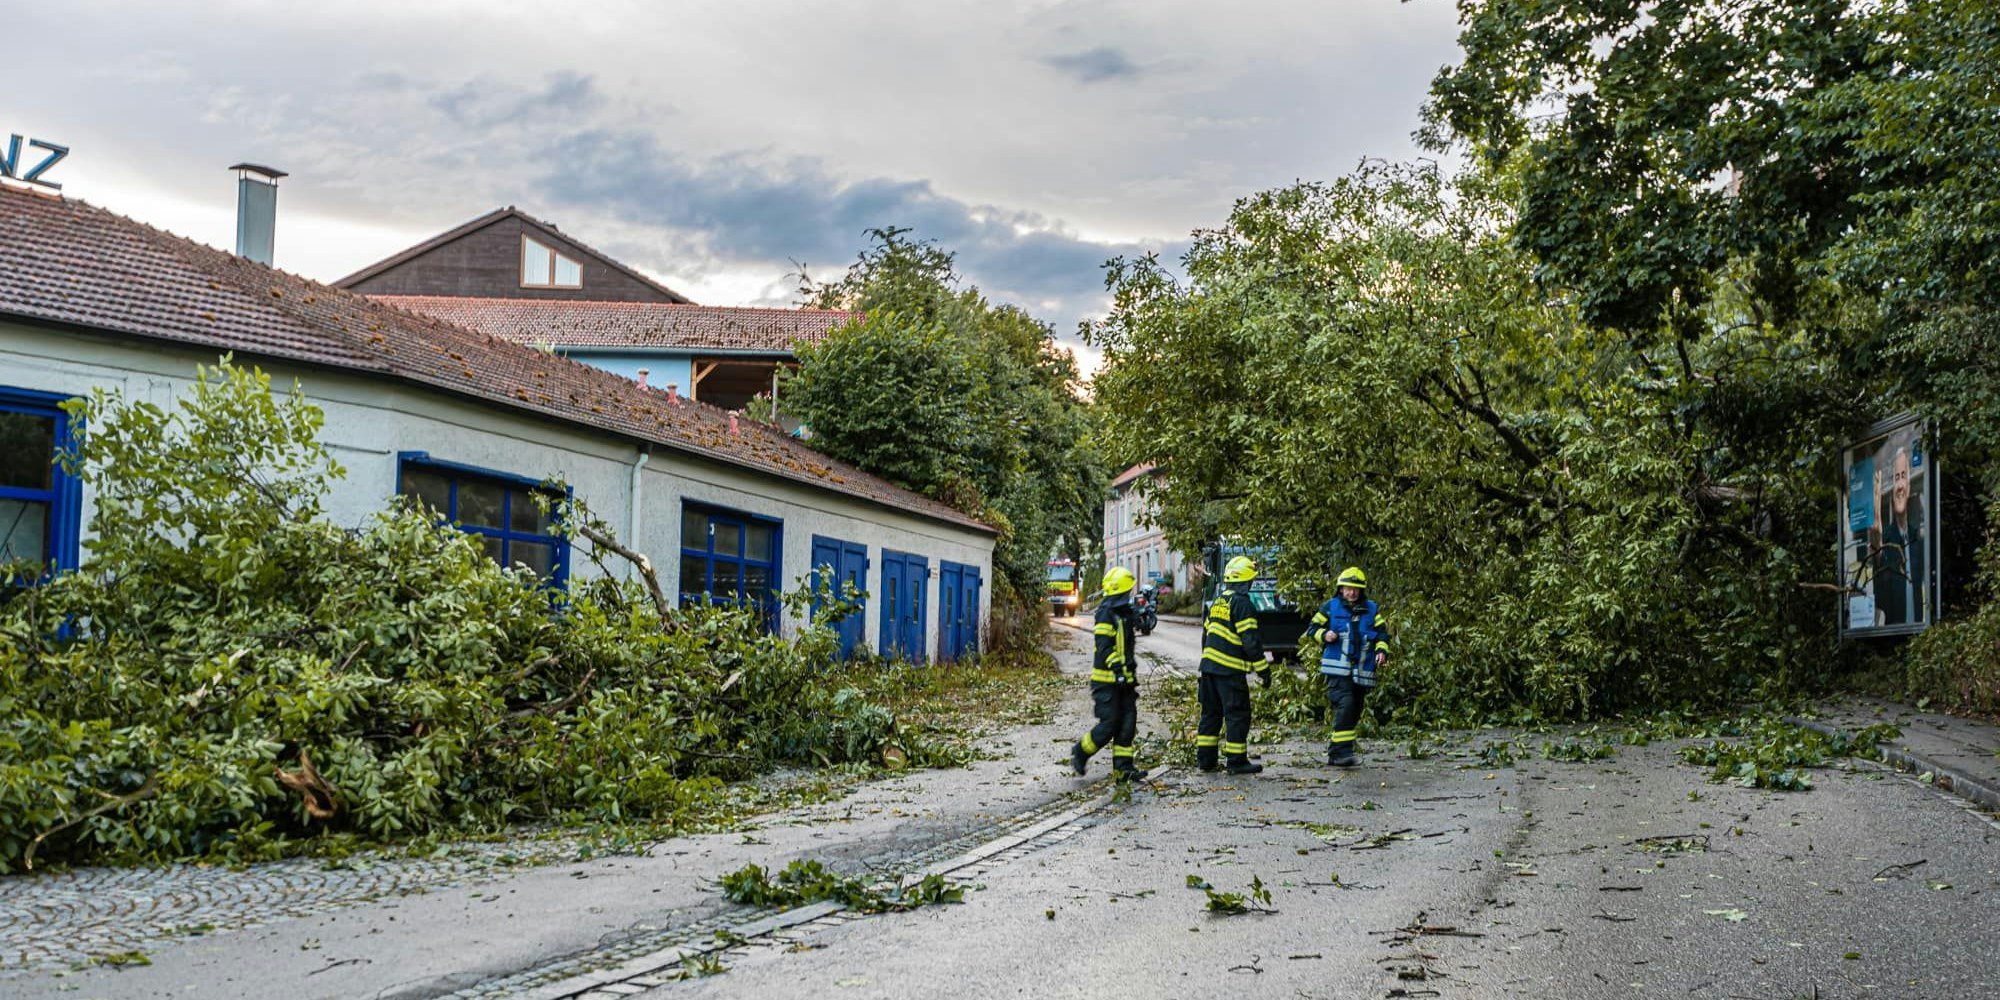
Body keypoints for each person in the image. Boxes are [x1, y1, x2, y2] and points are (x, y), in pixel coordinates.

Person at [1307, 566, 1389, 767]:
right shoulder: (1330, 607)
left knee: (1355, 709)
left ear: (1361, 591)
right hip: (1337, 670)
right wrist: (1324, 635)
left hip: (1362, 672)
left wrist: (1381, 651)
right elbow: (1312, 628)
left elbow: (1382, 634)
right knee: (1346, 704)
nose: (1351, 593)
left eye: (1355, 589)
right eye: (1347, 588)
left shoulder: (1371, 609)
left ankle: (1341, 751)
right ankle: (1339, 753)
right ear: (1341, 589)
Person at [1071, 567, 1147, 781]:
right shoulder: (1105, 614)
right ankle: (1080, 751)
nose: (1130, 595)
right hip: (1107, 683)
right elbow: (1104, 647)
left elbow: (1134, 627)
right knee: (1110, 725)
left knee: (1128, 724)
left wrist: (1140, 618)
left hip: (1126, 682)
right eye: (1127, 592)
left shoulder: (1123, 612)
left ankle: (1124, 769)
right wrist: (1118, 672)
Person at [1197, 555, 1269, 775]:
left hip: (1208, 670)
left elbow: (1205, 634)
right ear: (1247, 582)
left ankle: (1206, 761)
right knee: (1237, 714)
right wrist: (1264, 670)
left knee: (1210, 714)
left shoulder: (1218, 602)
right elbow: (1251, 641)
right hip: (1229, 672)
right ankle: (1236, 761)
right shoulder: (1243, 604)